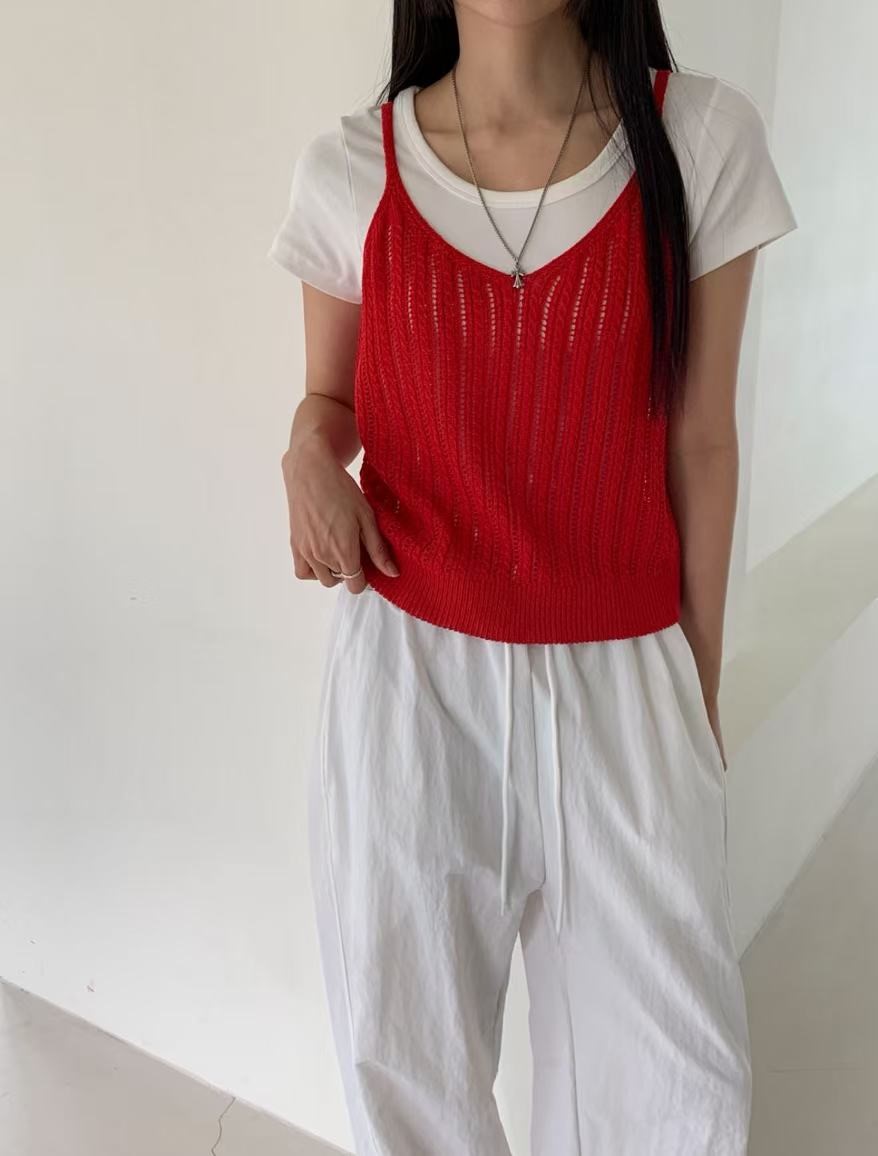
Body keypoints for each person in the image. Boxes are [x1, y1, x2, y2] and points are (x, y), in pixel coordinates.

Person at [269, 2, 797, 1152]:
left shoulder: (698, 140)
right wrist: (305, 457)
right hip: (409, 686)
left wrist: (692, 696)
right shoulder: (352, 168)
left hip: (626, 678)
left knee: (677, 1093)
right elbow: (330, 402)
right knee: (406, 1073)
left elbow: (701, 441)